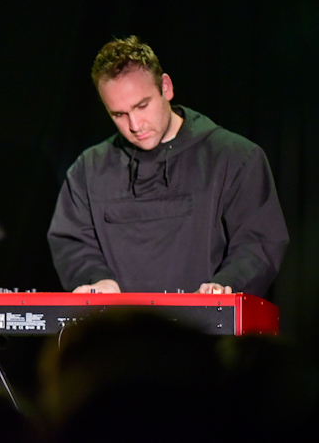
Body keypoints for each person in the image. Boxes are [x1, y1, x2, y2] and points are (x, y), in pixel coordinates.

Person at [48, 35, 288, 296]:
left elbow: (258, 242)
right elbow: (72, 244)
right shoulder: (88, 170)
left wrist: (224, 287)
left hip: (205, 321)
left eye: (142, 106)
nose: (135, 125)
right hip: (118, 323)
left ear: (166, 87)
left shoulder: (234, 158)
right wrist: (97, 280)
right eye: (119, 114)